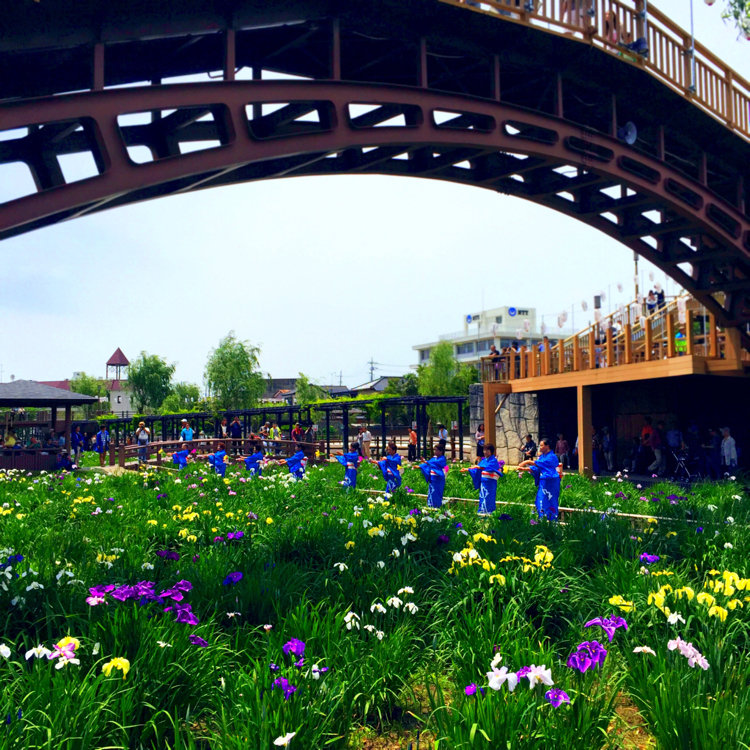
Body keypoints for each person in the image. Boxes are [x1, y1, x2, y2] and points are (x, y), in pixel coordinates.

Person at [519, 438, 561, 521]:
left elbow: (541, 464)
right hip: (543, 482)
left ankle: (552, 521)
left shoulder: (552, 457)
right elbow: (537, 468)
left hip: (551, 482)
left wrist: (527, 462)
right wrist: (524, 469)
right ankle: (542, 520)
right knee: (540, 501)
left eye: (541, 445)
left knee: (551, 501)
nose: (539, 447)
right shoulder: (542, 457)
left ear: (547, 446)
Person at [463, 443, 502, 514]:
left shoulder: (493, 460)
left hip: (490, 483)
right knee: (482, 497)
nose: (485, 452)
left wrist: (479, 467)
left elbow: (490, 468)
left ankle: (489, 513)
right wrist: (467, 469)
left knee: (489, 497)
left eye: (487, 450)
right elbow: (476, 469)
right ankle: (482, 512)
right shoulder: (483, 461)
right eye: (484, 450)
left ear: (491, 451)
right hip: (483, 483)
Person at [419, 444, 448, 508]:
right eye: (435, 450)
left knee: (436, 492)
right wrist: (420, 466)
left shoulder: (442, 458)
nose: (435, 452)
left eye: (437, 450)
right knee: (431, 491)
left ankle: (436, 506)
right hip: (432, 478)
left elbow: (435, 464)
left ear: (441, 451)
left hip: (438, 478)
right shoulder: (433, 459)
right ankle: (430, 505)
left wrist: (426, 462)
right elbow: (427, 464)